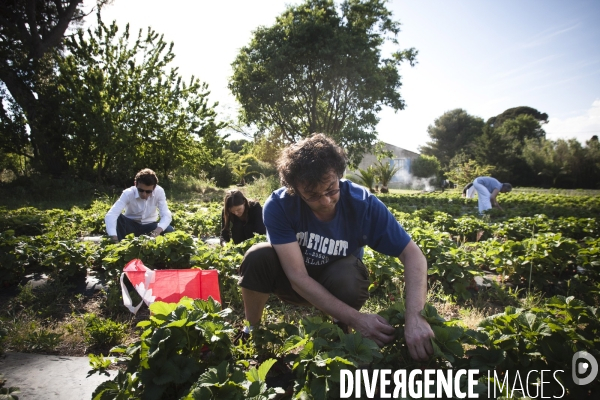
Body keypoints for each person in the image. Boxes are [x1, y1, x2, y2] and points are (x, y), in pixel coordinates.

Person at [238, 134, 434, 362]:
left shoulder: (362, 204)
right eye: (311, 195)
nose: (325, 201)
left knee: (348, 274)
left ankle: (342, 332)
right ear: (295, 190)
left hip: (336, 283)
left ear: (339, 176)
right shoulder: (280, 205)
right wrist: (360, 319)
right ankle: (252, 330)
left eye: (331, 189)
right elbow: (297, 276)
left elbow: (412, 254)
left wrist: (415, 317)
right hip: (294, 284)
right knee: (257, 256)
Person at [105, 168, 174, 242]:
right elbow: (111, 214)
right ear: (135, 184)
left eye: (148, 191)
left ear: (154, 188)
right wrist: (113, 237)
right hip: (130, 226)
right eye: (141, 190)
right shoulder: (128, 193)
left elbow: (166, 214)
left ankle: (153, 249)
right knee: (118, 218)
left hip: (150, 226)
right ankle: (120, 246)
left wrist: (157, 231)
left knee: (169, 230)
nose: (144, 194)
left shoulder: (159, 192)